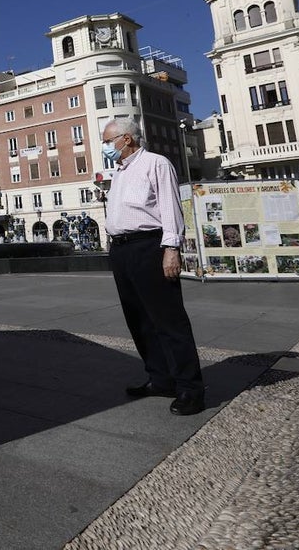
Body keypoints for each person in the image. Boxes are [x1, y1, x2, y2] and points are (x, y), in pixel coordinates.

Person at [101, 118, 204, 416]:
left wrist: (171, 248)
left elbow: (171, 208)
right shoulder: (119, 172)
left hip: (149, 246)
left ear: (127, 139)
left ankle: (190, 388)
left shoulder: (156, 164)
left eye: (109, 141)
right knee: (139, 319)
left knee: (168, 319)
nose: (106, 147)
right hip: (121, 250)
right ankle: (160, 378)